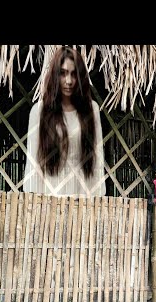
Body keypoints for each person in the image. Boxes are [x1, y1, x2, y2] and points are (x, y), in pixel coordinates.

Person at [23, 46, 106, 197]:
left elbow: (97, 159)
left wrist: (96, 201)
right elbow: (33, 163)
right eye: (63, 73)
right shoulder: (39, 111)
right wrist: (34, 203)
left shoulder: (91, 110)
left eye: (74, 74)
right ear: (55, 75)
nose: (68, 81)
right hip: (50, 196)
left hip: (82, 196)